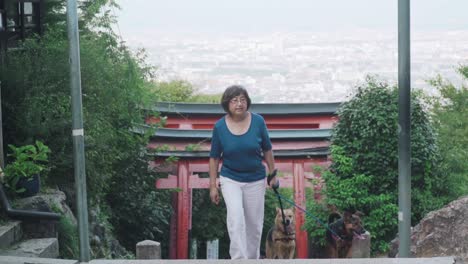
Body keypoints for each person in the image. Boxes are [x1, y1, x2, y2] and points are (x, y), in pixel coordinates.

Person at [209, 85, 277, 259]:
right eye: (234, 100)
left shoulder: (258, 121)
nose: (239, 103)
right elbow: (214, 157)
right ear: (227, 103)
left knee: (254, 225)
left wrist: (273, 174)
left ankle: (252, 259)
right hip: (230, 178)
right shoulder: (219, 127)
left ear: (247, 102)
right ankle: (239, 259)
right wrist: (213, 186)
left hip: (255, 178)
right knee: (236, 218)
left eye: (242, 99)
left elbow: (267, 149)